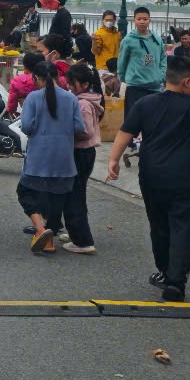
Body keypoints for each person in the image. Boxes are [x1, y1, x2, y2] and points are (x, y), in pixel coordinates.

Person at [107, 56, 190, 302]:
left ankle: (163, 270)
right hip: (182, 178)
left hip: (151, 175)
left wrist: (113, 160)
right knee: (182, 227)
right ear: (187, 82)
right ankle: (176, 283)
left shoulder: (146, 103)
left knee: (158, 225)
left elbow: (125, 132)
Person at [17, 62, 86, 255]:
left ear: (36, 79)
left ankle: (41, 230)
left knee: (25, 192)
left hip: (39, 158)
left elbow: (27, 127)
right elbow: (79, 127)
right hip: (64, 159)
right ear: (57, 77)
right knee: (57, 197)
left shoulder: (33, 97)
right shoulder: (71, 98)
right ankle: (49, 233)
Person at [61, 63, 103, 254]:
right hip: (85, 153)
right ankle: (75, 232)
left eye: (72, 83)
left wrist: (65, 131)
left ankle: (83, 240)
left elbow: (85, 132)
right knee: (77, 194)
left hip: (80, 152)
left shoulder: (83, 104)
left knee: (74, 196)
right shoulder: (86, 100)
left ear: (85, 84)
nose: (69, 87)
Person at [117, 6, 168, 117]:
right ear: (134, 20)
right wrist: (124, 79)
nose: (142, 22)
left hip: (154, 86)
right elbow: (122, 62)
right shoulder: (128, 40)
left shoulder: (156, 39)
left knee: (152, 120)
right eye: (139, 19)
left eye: (145, 19)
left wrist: (161, 75)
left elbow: (163, 58)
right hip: (135, 86)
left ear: (149, 20)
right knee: (132, 119)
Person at [6, 51, 44, 117]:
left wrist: (11, 111)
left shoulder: (17, 80)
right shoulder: (45, 79)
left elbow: (12, 100)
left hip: (27, 113)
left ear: (24, 66)